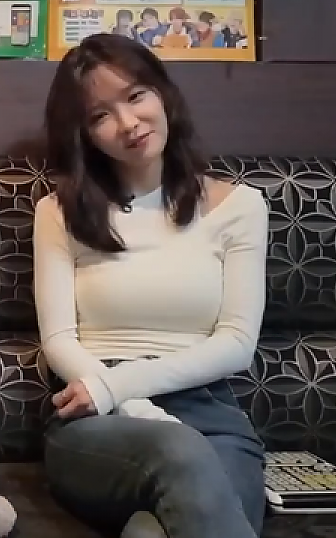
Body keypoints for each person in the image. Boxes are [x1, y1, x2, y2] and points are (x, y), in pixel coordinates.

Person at [32, 33, 268, 538]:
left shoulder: (241, 207)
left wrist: (123, 386)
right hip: (97, 419)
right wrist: (122, 398)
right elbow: (58, 341)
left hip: (208, 413)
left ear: (163, 93)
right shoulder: (57, 213)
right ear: (84, 135)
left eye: (136, 95)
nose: (128, 123)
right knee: (179, 451)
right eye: (100, 115)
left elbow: (237, 343)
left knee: (154, 530)